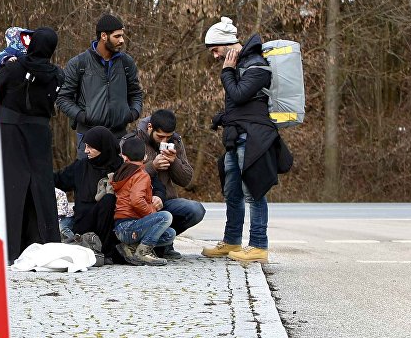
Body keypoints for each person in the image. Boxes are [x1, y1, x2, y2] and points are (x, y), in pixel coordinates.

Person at [201, 17, 293, 264]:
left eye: (216, 50)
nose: (215, 56)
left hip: (253, 138)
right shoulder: (243, 65)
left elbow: (239, 95)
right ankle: (232, 240)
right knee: (232, 192)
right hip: (236, 136)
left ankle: (258, 245)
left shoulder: (256, 65)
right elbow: (241, 104)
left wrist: (227, 72)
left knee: (254, 190)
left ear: (228, 45)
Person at [0, 27, 64, 262]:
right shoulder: (57, 74)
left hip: (10, 130)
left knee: (12, 185)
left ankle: (8, 246)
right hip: (39, 132)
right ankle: (42, 241)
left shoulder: (14, 68)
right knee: (40, 185)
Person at [122, 109, 207, 260]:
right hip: (139, 203)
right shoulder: (132, 140)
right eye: (160, 136)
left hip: (166, 200)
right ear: (150, 127)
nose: (163, 141)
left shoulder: (175, 141)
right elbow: (123, 176)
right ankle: (146, 243)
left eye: (167, 137)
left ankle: (163, 243)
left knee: (196, 210)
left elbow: (186, 180)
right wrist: (152, 167)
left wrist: (174, 162)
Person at [57, 14, 144, 159]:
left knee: (117, 181)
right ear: (104, 36)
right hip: (88, 137)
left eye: (122, 36)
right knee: (88, 181)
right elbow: (62, 98)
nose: (122, 40)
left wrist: (132, 113)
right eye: (117, 36)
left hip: (119, 136)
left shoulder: (126, 63)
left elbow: (136, 93)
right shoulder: (79, 63)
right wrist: (83, 116)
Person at [54, 126, 124, 258]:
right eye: (85, 146)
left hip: (111, 227)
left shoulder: (121, 167)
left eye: (91, 147)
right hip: (84, 225)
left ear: (103, 147)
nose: (86, 151)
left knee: (109, 200)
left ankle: (104, 251)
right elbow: (58, 179)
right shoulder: (81, 167)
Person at [111, 137, 174, 266]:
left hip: (122, 227)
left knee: (169, 234)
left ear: (124, 157)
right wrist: (151, 212)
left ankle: (130, 247)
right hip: (128, 226)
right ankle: (143, 252)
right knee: (165, 217)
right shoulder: (141, 175)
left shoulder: (121, 173)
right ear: (145, 157)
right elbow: (136, 201)